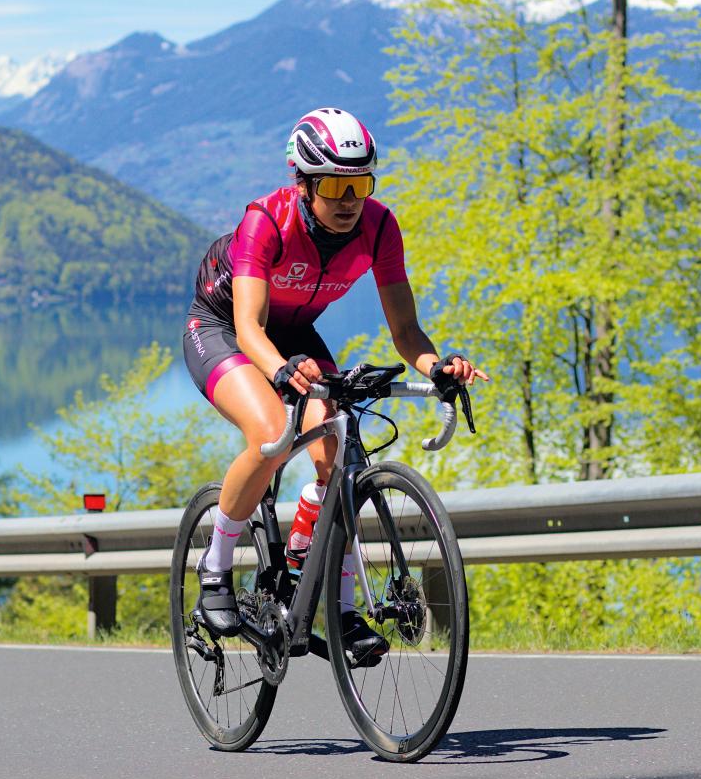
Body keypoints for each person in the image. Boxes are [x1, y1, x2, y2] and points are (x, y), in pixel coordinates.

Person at [181, 106, 486, 664]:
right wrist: (280, 372)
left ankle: (335, 607)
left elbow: (406, 331)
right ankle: (215, 566)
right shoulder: (267, 221)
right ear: (303, 183)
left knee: (339, 452)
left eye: (360, 185)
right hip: (223, 329)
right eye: (334, 186)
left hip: (295, 334)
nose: (349, 200)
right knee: (271, 435)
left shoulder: (379, 227)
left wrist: (436, 367)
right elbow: (249, 326)